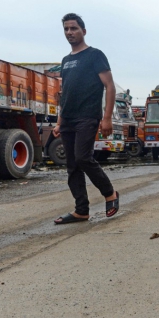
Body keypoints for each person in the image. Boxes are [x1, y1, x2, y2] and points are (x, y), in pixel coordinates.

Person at [53, 13, 119, 224]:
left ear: (83, 30)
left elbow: (109, 86)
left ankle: (110, 193)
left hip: (88, 116)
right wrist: (60, 121)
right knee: (72, 165)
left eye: (73, 28)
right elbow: (67, 93)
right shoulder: (66, 60)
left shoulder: (95, 55)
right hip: (69, 118)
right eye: (66, 29)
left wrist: (107, 118)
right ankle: (81, 210)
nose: (70, 32)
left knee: (83, 158)